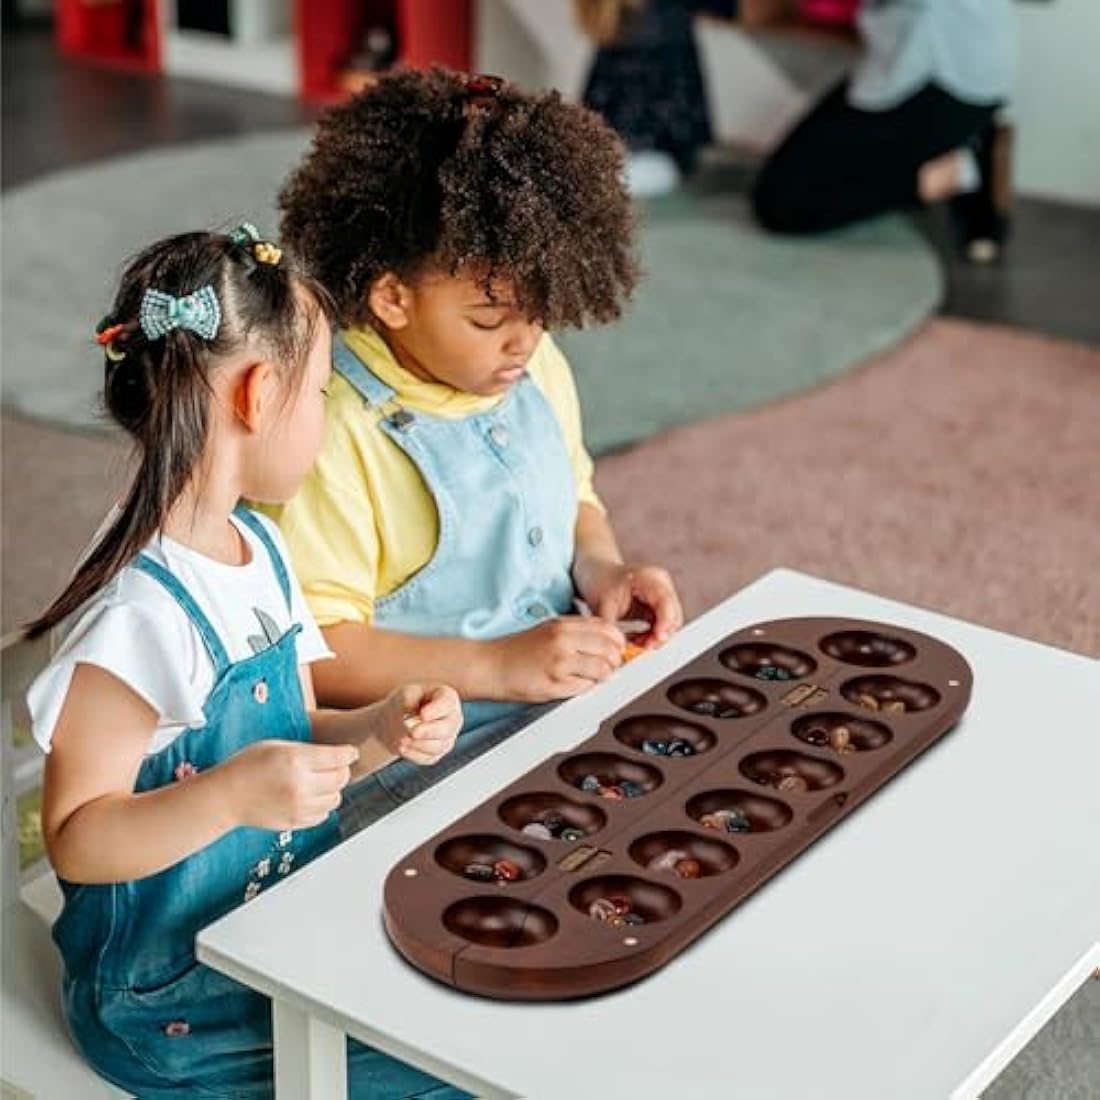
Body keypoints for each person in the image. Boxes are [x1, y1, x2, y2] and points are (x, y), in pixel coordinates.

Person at [24, 226, 466, 1099]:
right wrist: (227, 794)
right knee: (434, 1073)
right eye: (324, 394)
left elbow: (299, 737)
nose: (327, 423)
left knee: (464, 1002)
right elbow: (77, 839)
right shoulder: (138, 619)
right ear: (260, 396)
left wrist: (379, 732)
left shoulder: (259, 546)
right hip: (166, 998)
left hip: (276, 931)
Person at [272, 67, 684, 834]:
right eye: (491, 317)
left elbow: (576, 495)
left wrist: (603, 569)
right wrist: (501, 667)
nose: (523, 340)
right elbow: (320, 657)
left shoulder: (532, 362)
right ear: (392, 298)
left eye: (539, 308)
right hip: (415, 762)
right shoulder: (331, 431)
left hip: (557, 710)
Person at [752, 0, 1017, 262]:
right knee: (793, 180)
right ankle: (965, 146)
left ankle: (953, 171)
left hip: (943, 82)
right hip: (912, 65)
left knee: (783, 206)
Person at [574, 0, 716, 197]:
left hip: (660, 155)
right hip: (625, 151)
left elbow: (673, 116)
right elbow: (596, 102)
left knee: (593, 182)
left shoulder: (662, 21)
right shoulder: (620, 20)